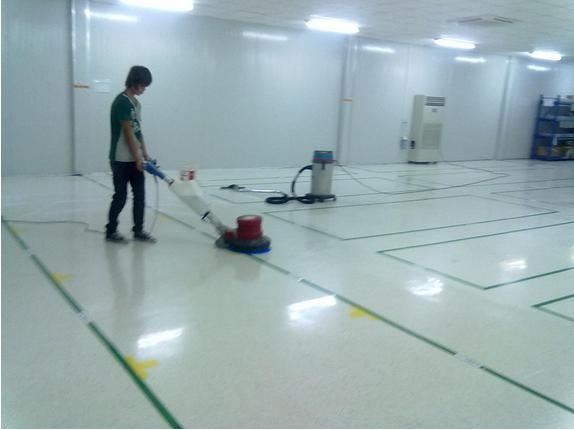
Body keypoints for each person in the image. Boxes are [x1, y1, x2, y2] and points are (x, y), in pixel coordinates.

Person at [105, 65, 156, 243]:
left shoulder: (136, 104)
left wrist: (145, 154)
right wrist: (137, 159)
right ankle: (111, 231)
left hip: (135, 159)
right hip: (120, 159)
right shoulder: (121, 102)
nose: (144, 89)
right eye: (143, 85)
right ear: (134, 82)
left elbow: (137, 131)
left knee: (140, 196)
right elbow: (127, 133)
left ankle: (138, 231)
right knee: (120, 197)